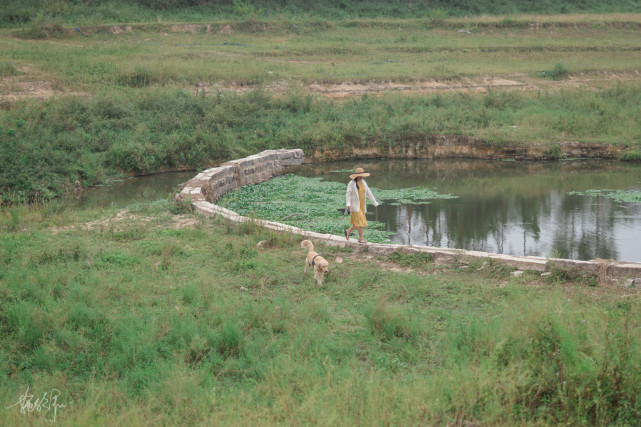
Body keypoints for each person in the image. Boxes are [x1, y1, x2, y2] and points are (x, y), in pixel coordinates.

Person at [344, 167, 378, 243]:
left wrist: (374, 202)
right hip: (355, 206)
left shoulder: (364, 182)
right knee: (360, 222)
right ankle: (361, 238)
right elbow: (348, 194)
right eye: (360, 175)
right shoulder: (352, 183)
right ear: (356, 175)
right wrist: (348, 204)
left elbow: (369, 193)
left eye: (362, 175)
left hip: (362, 206)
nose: (362, 176)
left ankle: (347, 231)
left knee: (357, 224)